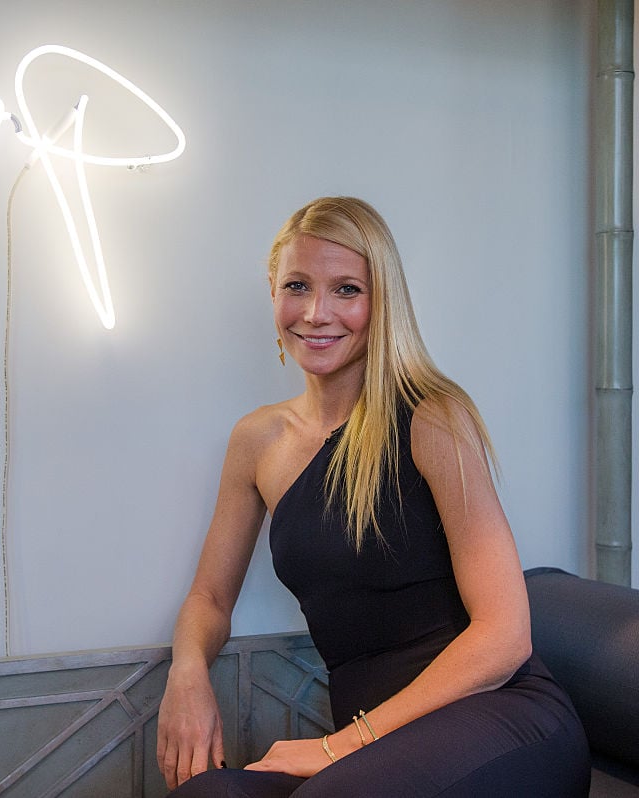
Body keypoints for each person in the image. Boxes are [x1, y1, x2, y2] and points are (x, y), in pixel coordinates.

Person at [156, 197, 590, 797]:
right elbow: (208, 597)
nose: (315, 313)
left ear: (381, 300)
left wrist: (338, 747)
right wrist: (188, 672)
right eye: (297, 286)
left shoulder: (434, 417)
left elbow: (505, 634)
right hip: (375, 752)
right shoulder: (257, 441)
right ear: (273, 294)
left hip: (500, 717)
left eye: (347, 290)